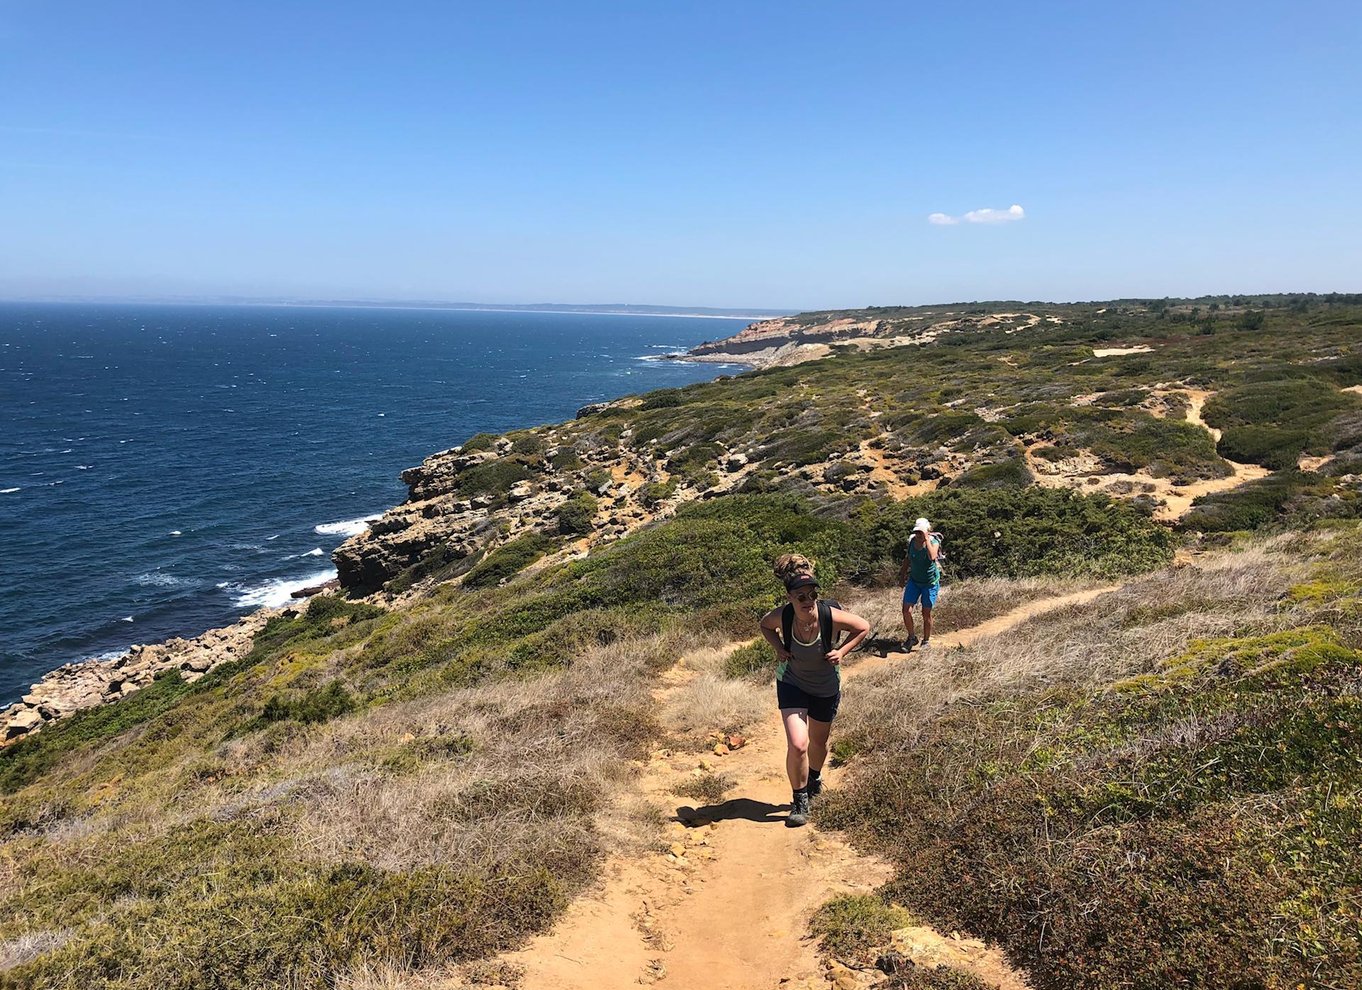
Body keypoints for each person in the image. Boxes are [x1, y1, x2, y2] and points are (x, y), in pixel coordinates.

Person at [758, 556, 870, 828]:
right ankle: (799, 799)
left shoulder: (829, 615)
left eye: (812, 595)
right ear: (789, 597)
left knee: (818, 743)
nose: (808, 600)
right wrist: (779, 648)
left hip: (825, 687)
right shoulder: (782, 616)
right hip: (792, 683)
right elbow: (764, 625)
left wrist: (842, 651)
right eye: (801, 596)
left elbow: (863, 626)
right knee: (798, 744)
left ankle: (814, 779)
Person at [899, 516, 942, 651]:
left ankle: (926, 640)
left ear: (927, 531)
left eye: (920, 532)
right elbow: (908, 558)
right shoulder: (912, 542)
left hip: (929, 583)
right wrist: (902, 574)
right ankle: (912, 637)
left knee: (926, 613)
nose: (918, 535)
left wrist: (926, 539)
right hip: (914, 581)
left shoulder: (934, 542)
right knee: (906, 610)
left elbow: (932, 556)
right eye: (916, 532)